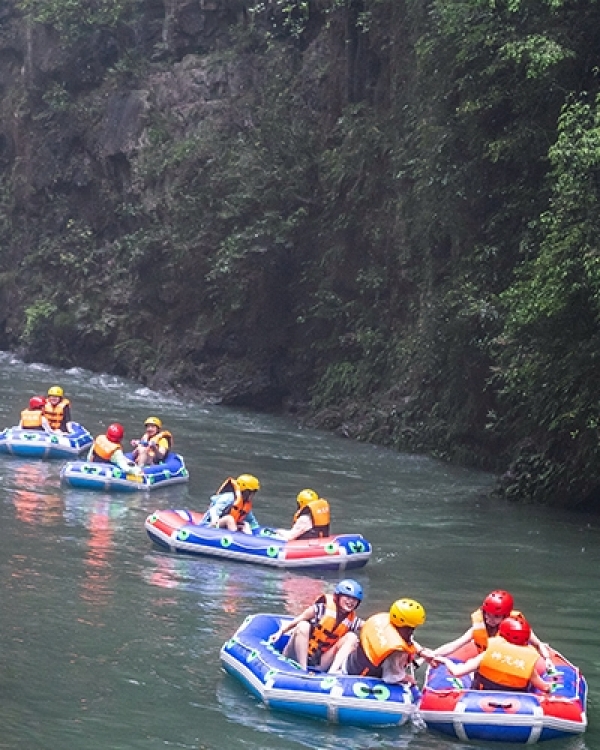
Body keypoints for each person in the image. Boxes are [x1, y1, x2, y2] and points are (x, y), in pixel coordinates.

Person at [431, 589, 554, 670]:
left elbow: (538, 644)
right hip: (487, 669)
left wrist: (547, 659)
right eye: (487, 614)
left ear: (506, 616)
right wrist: (427, 657)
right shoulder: (480, 627)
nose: (489, 619)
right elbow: (454, 645)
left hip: (513, 668)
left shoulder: (518, 628)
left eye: (496, 616)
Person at [436, 616, 561, 694]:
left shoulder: (487, 655)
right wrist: (553, 685)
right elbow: (544, 688)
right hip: (519, 706)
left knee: (474, 670)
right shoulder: (528, 664)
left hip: (479, 700)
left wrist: (445, 661)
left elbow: (458, 672)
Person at [329, 598, 435, 685]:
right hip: (356, 677)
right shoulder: (396, 651)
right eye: (411, 627)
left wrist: (421, 651)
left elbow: (407, 641)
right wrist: (408, 679)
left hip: (349, 663)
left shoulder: (381, 621)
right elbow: (390, 678)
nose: (412, 630)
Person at [270, 579, 364, 671]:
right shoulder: (320, 609)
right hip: (295, 654)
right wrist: (280, 632)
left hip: (319, 662)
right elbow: (299, 619)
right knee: (303, 625)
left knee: (352, 637)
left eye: (354, 600)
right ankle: (303, 670)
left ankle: (332, 673)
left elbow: (367, 626)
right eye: (347, 598)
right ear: (338, 597)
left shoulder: (352, 620)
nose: (351, 602)